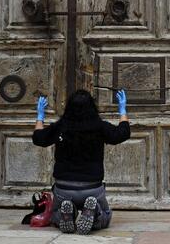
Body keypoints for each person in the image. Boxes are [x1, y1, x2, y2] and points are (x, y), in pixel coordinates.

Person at [32, 88, 130, 234]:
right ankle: (94, 210)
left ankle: (67, 213)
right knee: (106, 216)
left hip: (63, 189)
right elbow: (122, 134)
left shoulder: (61, 126)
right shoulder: (99, 126)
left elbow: (39, 138)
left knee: (55, 215)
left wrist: (40, 116)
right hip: (92, 188)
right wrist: (122, 111)